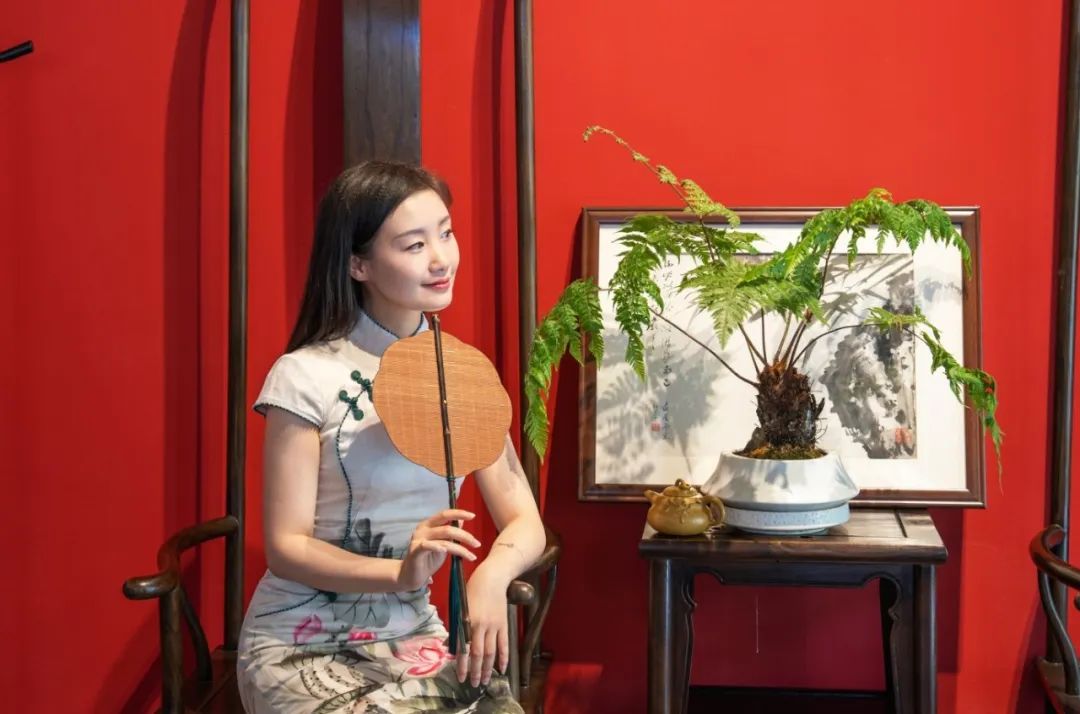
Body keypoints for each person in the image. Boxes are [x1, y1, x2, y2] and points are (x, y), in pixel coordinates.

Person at [237, 161, 545, 713]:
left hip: (413, 637)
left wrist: (491, 577)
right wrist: (399, 573)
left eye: (446, 233)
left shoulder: (463, 375)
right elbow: (286, 547)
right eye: (414, 245)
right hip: (299, 639)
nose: (441, 259)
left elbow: (525, 520)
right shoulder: (304, 375)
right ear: (358, 264)